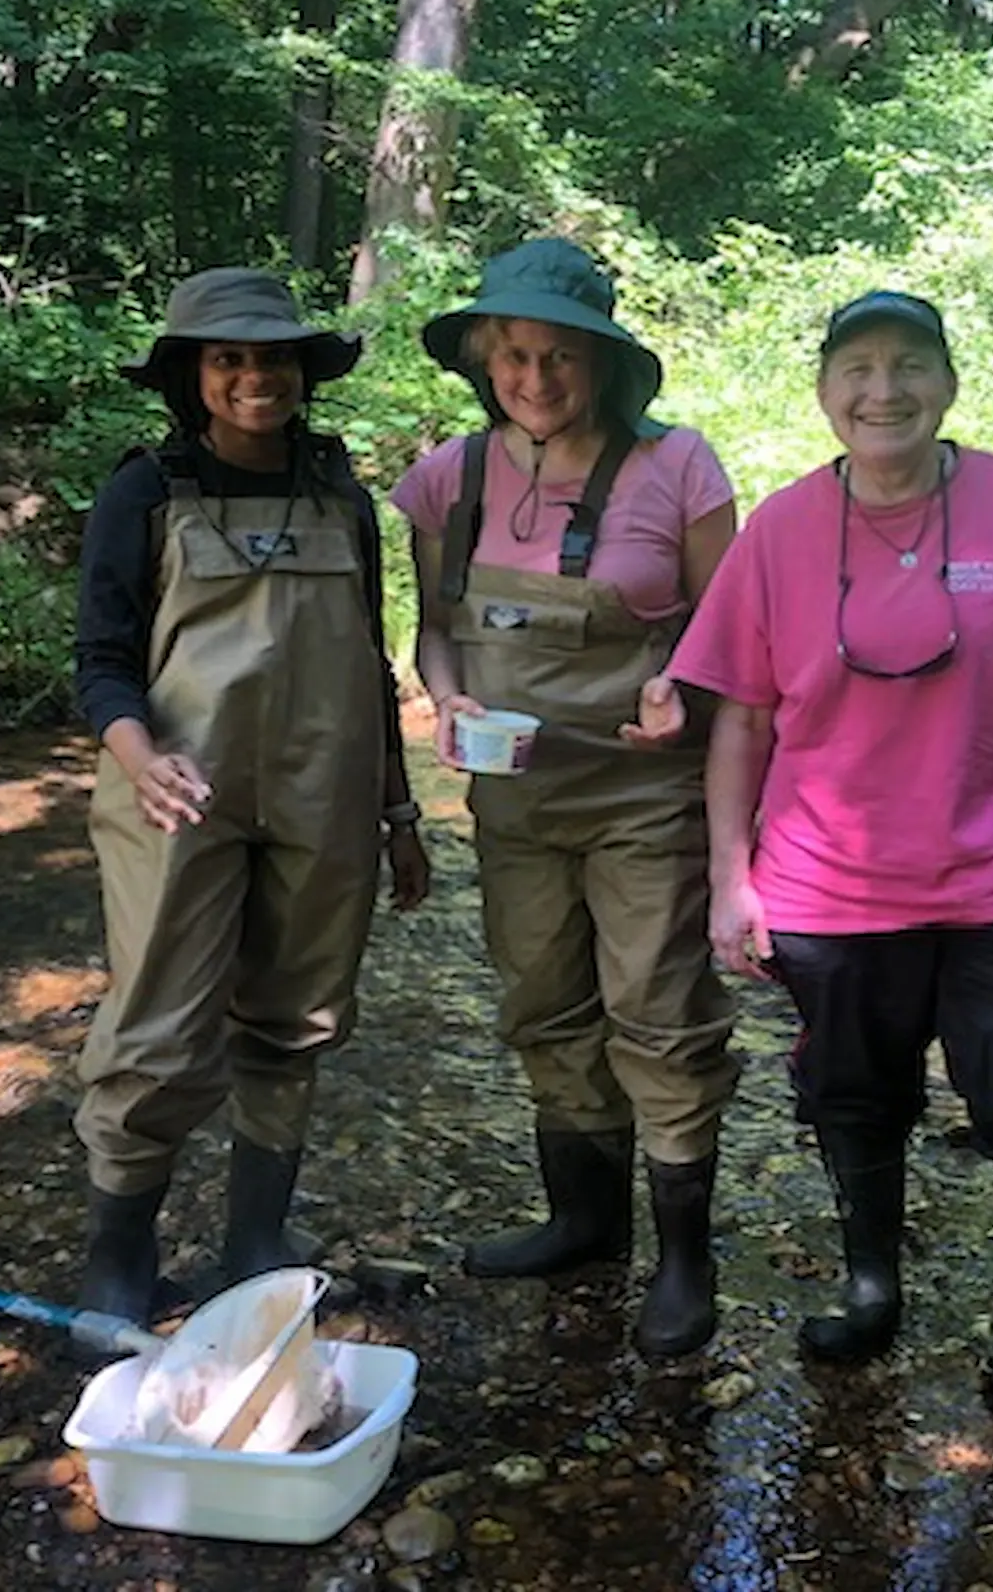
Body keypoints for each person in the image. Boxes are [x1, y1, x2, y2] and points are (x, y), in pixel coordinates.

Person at [665, 289, 993, 1406]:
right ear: (824, 390)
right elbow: (742, 715)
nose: (882, 390)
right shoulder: (780, 529)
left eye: (908, 366)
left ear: (948, 382)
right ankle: (871, 1279)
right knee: (852, 1097)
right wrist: (730, 881)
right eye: (857, 368)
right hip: (831, 888)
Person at [393, 237, 739, 1358]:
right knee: (543, 999)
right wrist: (445, 704)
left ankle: (686, 1260)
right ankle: (585, 1223)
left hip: (647, 792)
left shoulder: (682, 468)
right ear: (485, 361)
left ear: (603, 360)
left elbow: (729, 635)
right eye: (513, 355)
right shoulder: (448, 478)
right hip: (512, 798)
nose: (534, 378)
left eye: (558, 356)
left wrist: (677, 687)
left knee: (658, 1009)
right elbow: (434, 634)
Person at [71, 268, 431, 1335]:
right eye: (229, 359)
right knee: (155, 1031)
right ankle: (119, 1261)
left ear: (300, 372)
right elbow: (100, 663)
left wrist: (401, 816)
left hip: (329, 801)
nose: (254, 376)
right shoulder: (142, 492)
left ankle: (255, 1245)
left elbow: (371, 662)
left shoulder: (342, 497)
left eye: (271, 357)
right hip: (175, 796)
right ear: (193, 376)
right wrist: (139, 760)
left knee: (297, 1017)